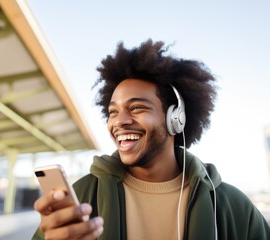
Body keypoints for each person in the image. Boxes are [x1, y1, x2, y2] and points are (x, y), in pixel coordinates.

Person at [32, 39, 270, 240]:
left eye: (136, 108)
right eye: (113, 111)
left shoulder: (233, 207)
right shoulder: (84, 194)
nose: (119, 121)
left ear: (175, 119)